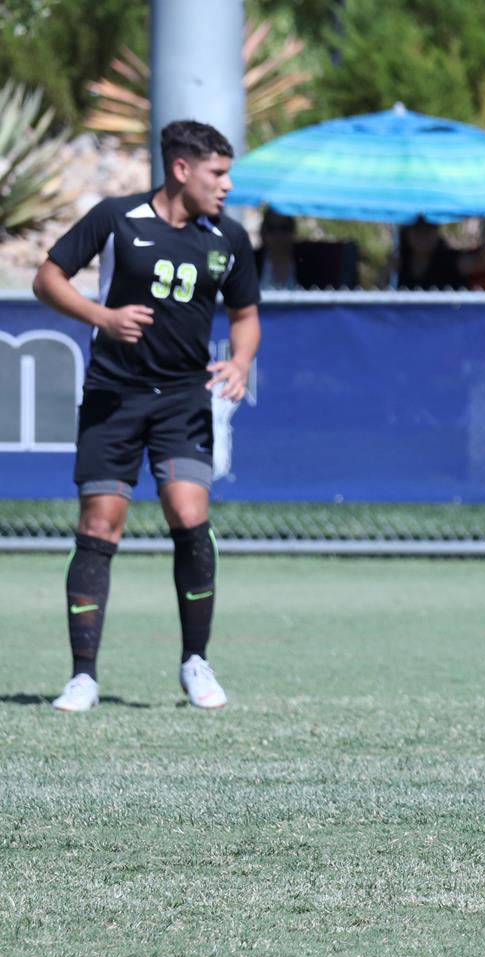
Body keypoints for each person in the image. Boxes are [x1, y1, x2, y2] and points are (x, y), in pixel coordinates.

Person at [30, 119, 260, 713]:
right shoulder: (115, 218)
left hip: (183, 399)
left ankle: (195, 661)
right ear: (181, 170)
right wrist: (101, 318)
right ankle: (83, 676)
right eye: (217, 172)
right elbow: (47, 279)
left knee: (190, 514)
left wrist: (240, 361)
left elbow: (245, 315)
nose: (227, 184)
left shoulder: (227, 238)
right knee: (101, 524)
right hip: (114, 393)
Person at [393, 217, 485, 291]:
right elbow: (383, 289)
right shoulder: (398, 264)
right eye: (418, 230)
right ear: (407, 234)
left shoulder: (452, 260)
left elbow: (484, 260)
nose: (423, 236)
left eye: (429, 229)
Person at [256, 208, 300, 291]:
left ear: (293, 230)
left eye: (285, 228)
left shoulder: (307, 263)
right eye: (271, 228)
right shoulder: (252, 261)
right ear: (263, 231)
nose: (278, 234)